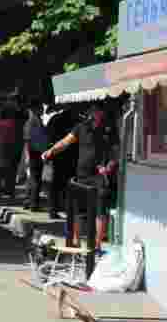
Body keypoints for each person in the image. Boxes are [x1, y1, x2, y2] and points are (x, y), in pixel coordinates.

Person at [42, 104, 119, 244]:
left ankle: (97, 245)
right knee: (77, 210)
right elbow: (65, 142)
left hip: (100, 176)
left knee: (100, 211)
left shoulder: (109, 129)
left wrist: (109, 167)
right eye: (91, 111)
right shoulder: (81, 127)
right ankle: (76, 241)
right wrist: (51, 151)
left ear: (101, 113)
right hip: (82, 174)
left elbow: (116, 153)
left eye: (97, 111)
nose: (93, 113)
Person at [44, 106, 78, 220]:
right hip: (71, 157)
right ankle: (67, 210)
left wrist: (50, 150)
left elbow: (48, 135)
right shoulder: (76, 121)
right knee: (68, 185)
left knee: (55, 185)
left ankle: (53, 210)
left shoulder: (55, 119)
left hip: (57, 155)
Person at [23, 101, 48, 211]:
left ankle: (29, 201)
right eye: (40, 108)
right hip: (33, 153)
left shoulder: (37, 121)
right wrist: (28, 156)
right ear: (34, 109)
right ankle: (33, 203)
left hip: (37, 152)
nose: (43, 110)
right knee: (35, 179)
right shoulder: (31, 122)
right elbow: (28, 141)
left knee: (33, 178)